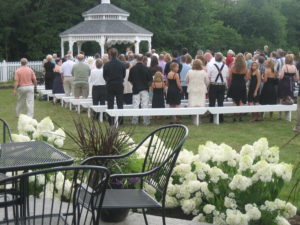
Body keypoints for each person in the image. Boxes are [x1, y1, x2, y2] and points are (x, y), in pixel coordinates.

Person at [103, 48, 126, 125]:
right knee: (120, 103)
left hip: (110, 84)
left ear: (109, 55)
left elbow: (104, 76)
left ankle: (111, 120)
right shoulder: (122, 64)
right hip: (119, 84)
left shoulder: (106, 64)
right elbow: (124, 75)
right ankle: (120, 120)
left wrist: (108, 80)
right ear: (117, 54)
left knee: (110, 103)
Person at [129, 54, 153, 125]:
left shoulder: (133, 69)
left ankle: (134, 121)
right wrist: (147, 85)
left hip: (136, 88)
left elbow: (130, 80)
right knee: (145, 105)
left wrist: (134, 84)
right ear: (143, 59)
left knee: (135, 105)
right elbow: (151, 80)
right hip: (145, 88)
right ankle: (146, 121)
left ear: (136, 59)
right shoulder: (146, 68)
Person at [185, 59, 209, 125]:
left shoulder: (190, 72)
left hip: (192, 90)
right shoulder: (203, 72)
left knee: (192, 104)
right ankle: (199, 119)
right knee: (200, 104)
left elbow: (186, 80)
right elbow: (207, 81)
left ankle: (194, 119)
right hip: (201, 90)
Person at [207, 52, 229, 123]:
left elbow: (209, 77)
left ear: (215, 58)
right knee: (220, 102)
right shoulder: (225, 66)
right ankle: (221, 119)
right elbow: (227, 76)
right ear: (222, 58)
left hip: (213, 85)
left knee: (212, 102)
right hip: (222, 85)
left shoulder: (211, 66)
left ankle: (211, 119)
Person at [228, 53, 248, 122]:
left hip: (234, 84)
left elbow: (230, 77)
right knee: (241, 101)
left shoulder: (233, 67)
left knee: (234, 100)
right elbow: (247, 77)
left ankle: (234, 116)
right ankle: (240, 116)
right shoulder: (245, 68)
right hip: (242, 85)